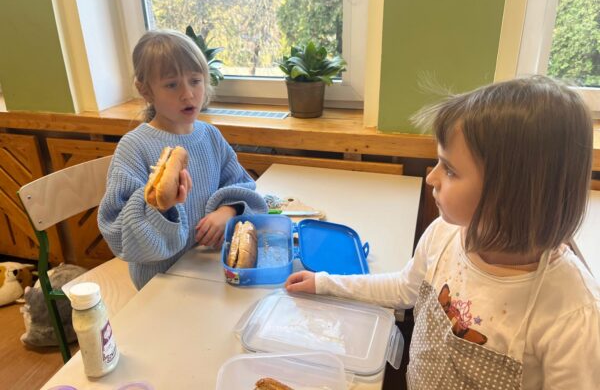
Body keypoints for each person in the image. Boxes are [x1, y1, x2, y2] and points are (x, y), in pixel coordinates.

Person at [286, 76, 600, 389]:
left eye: (449, 169)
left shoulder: (574, 314)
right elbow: (404, 288)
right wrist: (325, 283)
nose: (432, 178)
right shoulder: (444, 233)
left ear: (511, 193)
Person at [98, 29, 267, 289]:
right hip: (162, 280)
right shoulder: (134, 147)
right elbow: (118, 233)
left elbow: (241, 185)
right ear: (146, 90)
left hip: (210, 267)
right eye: (172, 84)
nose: (188, 94)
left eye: (195, 81)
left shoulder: (210, 135)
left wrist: (228, 210)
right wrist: (160, 206)